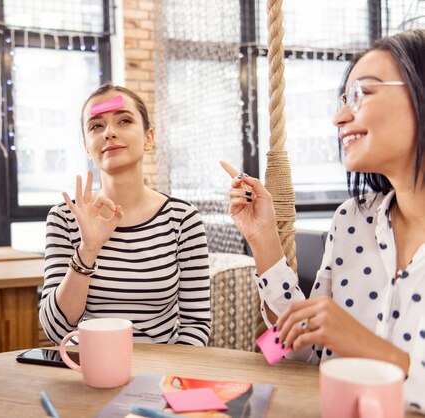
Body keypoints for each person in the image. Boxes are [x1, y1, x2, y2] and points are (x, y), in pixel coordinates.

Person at [221, 28, 425, 413]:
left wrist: (363, 345)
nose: (339, 116)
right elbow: (304, 353)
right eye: (343, 99)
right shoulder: (352, 220)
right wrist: (263, 237)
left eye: (361, 94)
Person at [39, 84, 211, 346]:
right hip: (85, 368)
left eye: (124, 120)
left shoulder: (183, 219)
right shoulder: (65, 217)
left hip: (160, 376)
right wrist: (88, 249)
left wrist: (168, 379)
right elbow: (56, 329)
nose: (109, 132)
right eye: (96, 126)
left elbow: (196, 324)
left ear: (148, 138)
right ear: (87, 147)